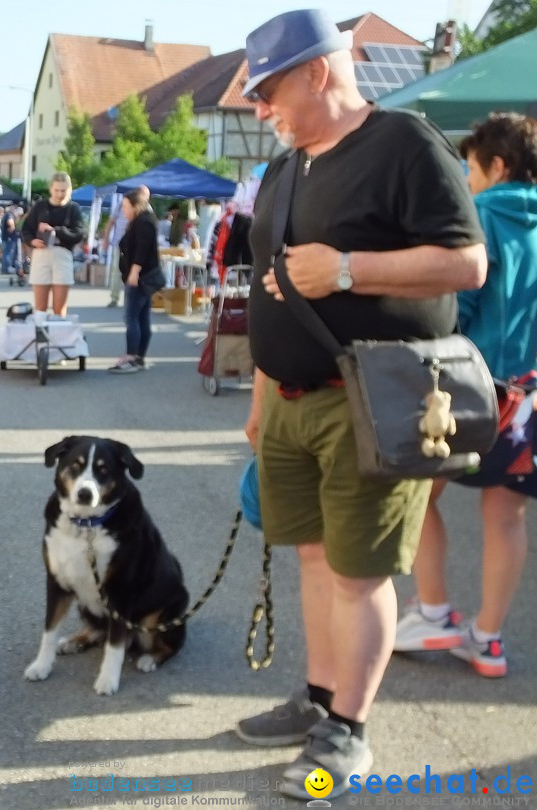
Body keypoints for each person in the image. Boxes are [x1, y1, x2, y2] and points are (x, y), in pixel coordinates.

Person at [235, 10, 486, 798]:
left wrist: (347, 269)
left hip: (372, 398)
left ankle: (348, 730)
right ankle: (318, 700)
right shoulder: (284, 169)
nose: (257, 108)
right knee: (313, 556)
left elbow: (467, 264)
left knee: (358, 572)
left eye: (267, 89)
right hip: (288, 399)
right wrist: (260, 391)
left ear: (317, 70)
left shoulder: (404, 143)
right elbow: (268, 286)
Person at [394, 113, 537, 678]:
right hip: (531, 400)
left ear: (497, 166)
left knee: (417, 494)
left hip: (474, 390)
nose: (467, 179)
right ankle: (489, 639)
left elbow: (457, 308)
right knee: (507, 515)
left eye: (472, 169)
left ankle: (433, 611)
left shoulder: (478, 217)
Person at [110, 187, 162, 374]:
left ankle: (132, 356)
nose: (124, 210)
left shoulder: (144, 222)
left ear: (135, 206)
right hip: (140, 276)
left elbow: (142, 249)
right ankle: (138, 356)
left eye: (125, 206)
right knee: (141, 316)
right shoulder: (139, 220)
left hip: (140, 277)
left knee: (132, 316)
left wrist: (134, 271)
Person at [20, 172, 84, 317]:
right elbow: (25, 229)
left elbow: (79, 234)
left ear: (69, 190)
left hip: (62, 255)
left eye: (63, 190)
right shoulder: (40, 206)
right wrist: (32, 241)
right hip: (41, 255)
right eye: (57, 190)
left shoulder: (73, 208)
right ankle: (42, 337)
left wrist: (56, 230)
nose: (60, 194)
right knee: (40, 308)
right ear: (51, 189)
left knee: (59, 309)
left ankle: (59, 337)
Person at [0, 206, 20, 275]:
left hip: (6, 237)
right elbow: (10, 222)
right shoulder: (9, 215)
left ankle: (4, 268)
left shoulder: (6, 215)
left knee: (6, 253)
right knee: (8, 253)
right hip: (9, 237)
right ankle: (7, 268)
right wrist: (12, 227)